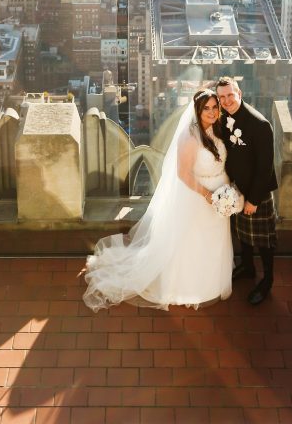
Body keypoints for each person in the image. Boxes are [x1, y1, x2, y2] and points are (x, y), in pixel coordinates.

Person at [82, 89, 234, 311]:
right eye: (206, 108)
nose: (211, 112)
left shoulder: (218, 130)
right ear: (197, 110)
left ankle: (211, 283)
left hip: (220, 197)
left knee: (213, 241)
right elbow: (183, 174)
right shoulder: (190, 137)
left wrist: (225, 193)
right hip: (198, 198)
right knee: (193, 242)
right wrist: (208, 195)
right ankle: (187, 287)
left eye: (214, 107)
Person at [216, 76, 277, 306]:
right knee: (243, 235)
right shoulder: (224, 119)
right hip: (236, 192)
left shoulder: (260, 124)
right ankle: (248, 268)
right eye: (222, 97)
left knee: (264, 240)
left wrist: (253, 200)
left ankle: (267, 280)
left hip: (256, 194)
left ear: (239, 93)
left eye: (230, 95)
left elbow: (265, 168)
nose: (226, 100)